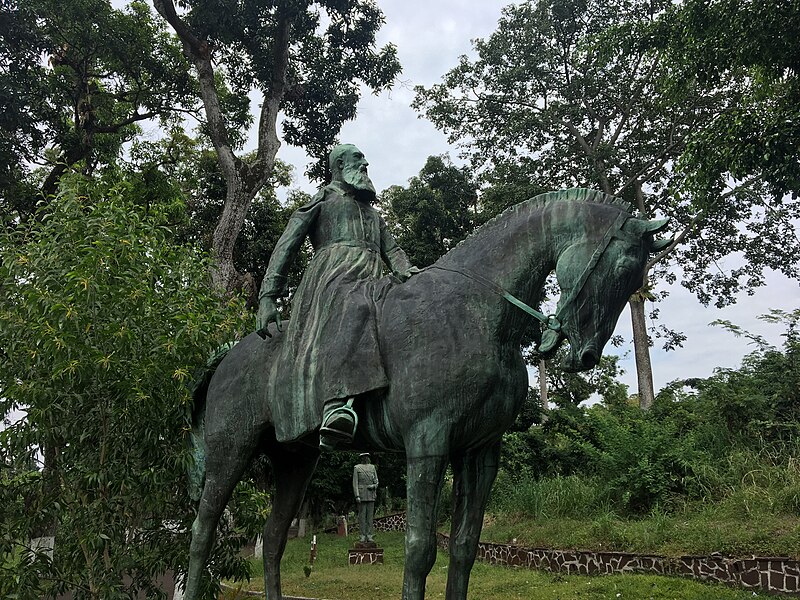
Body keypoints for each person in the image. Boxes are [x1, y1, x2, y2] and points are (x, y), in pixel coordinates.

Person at [256, 144, 419, 449]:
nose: (366, 162)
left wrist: (407, 271)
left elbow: (393, 251)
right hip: (334, 278)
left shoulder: (373, 213)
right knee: (355, 305)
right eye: (359, 158)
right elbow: (286, 246)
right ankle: (336, 404)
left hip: (372, 279)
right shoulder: (323, 199)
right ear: (340, 164)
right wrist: (268, 296)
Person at [352, 453, 379, 543]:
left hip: (371, 494)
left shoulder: (372, 467)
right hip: (362, 494)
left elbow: (376, 481)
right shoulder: (357, 468)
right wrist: (357, 495)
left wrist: (373, 486)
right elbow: (355, 483)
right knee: (362, 517)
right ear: (361, 458)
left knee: (370, 517)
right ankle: (362, 535)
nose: (366, 458)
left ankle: (369, 535)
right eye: (364, 457)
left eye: (367, 456)